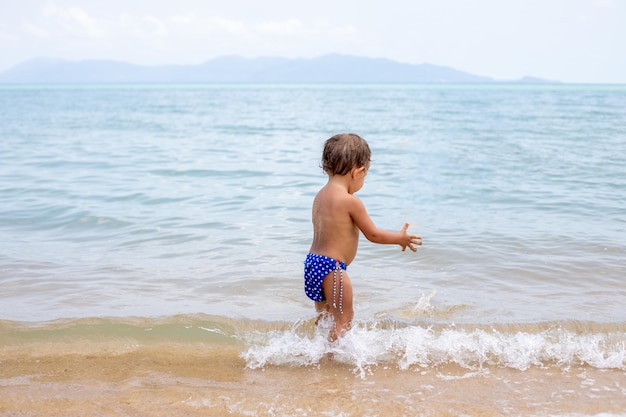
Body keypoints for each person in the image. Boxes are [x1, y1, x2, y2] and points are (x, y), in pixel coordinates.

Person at [304, 133, 422, 341]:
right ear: (358, 171)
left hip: (313, 265)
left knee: (325, 317)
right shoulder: (350, 201)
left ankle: (319, 352)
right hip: (333, 268)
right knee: (344, 319)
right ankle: (330, 360)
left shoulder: (320, 196)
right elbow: (373, 234)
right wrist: (399, 238)